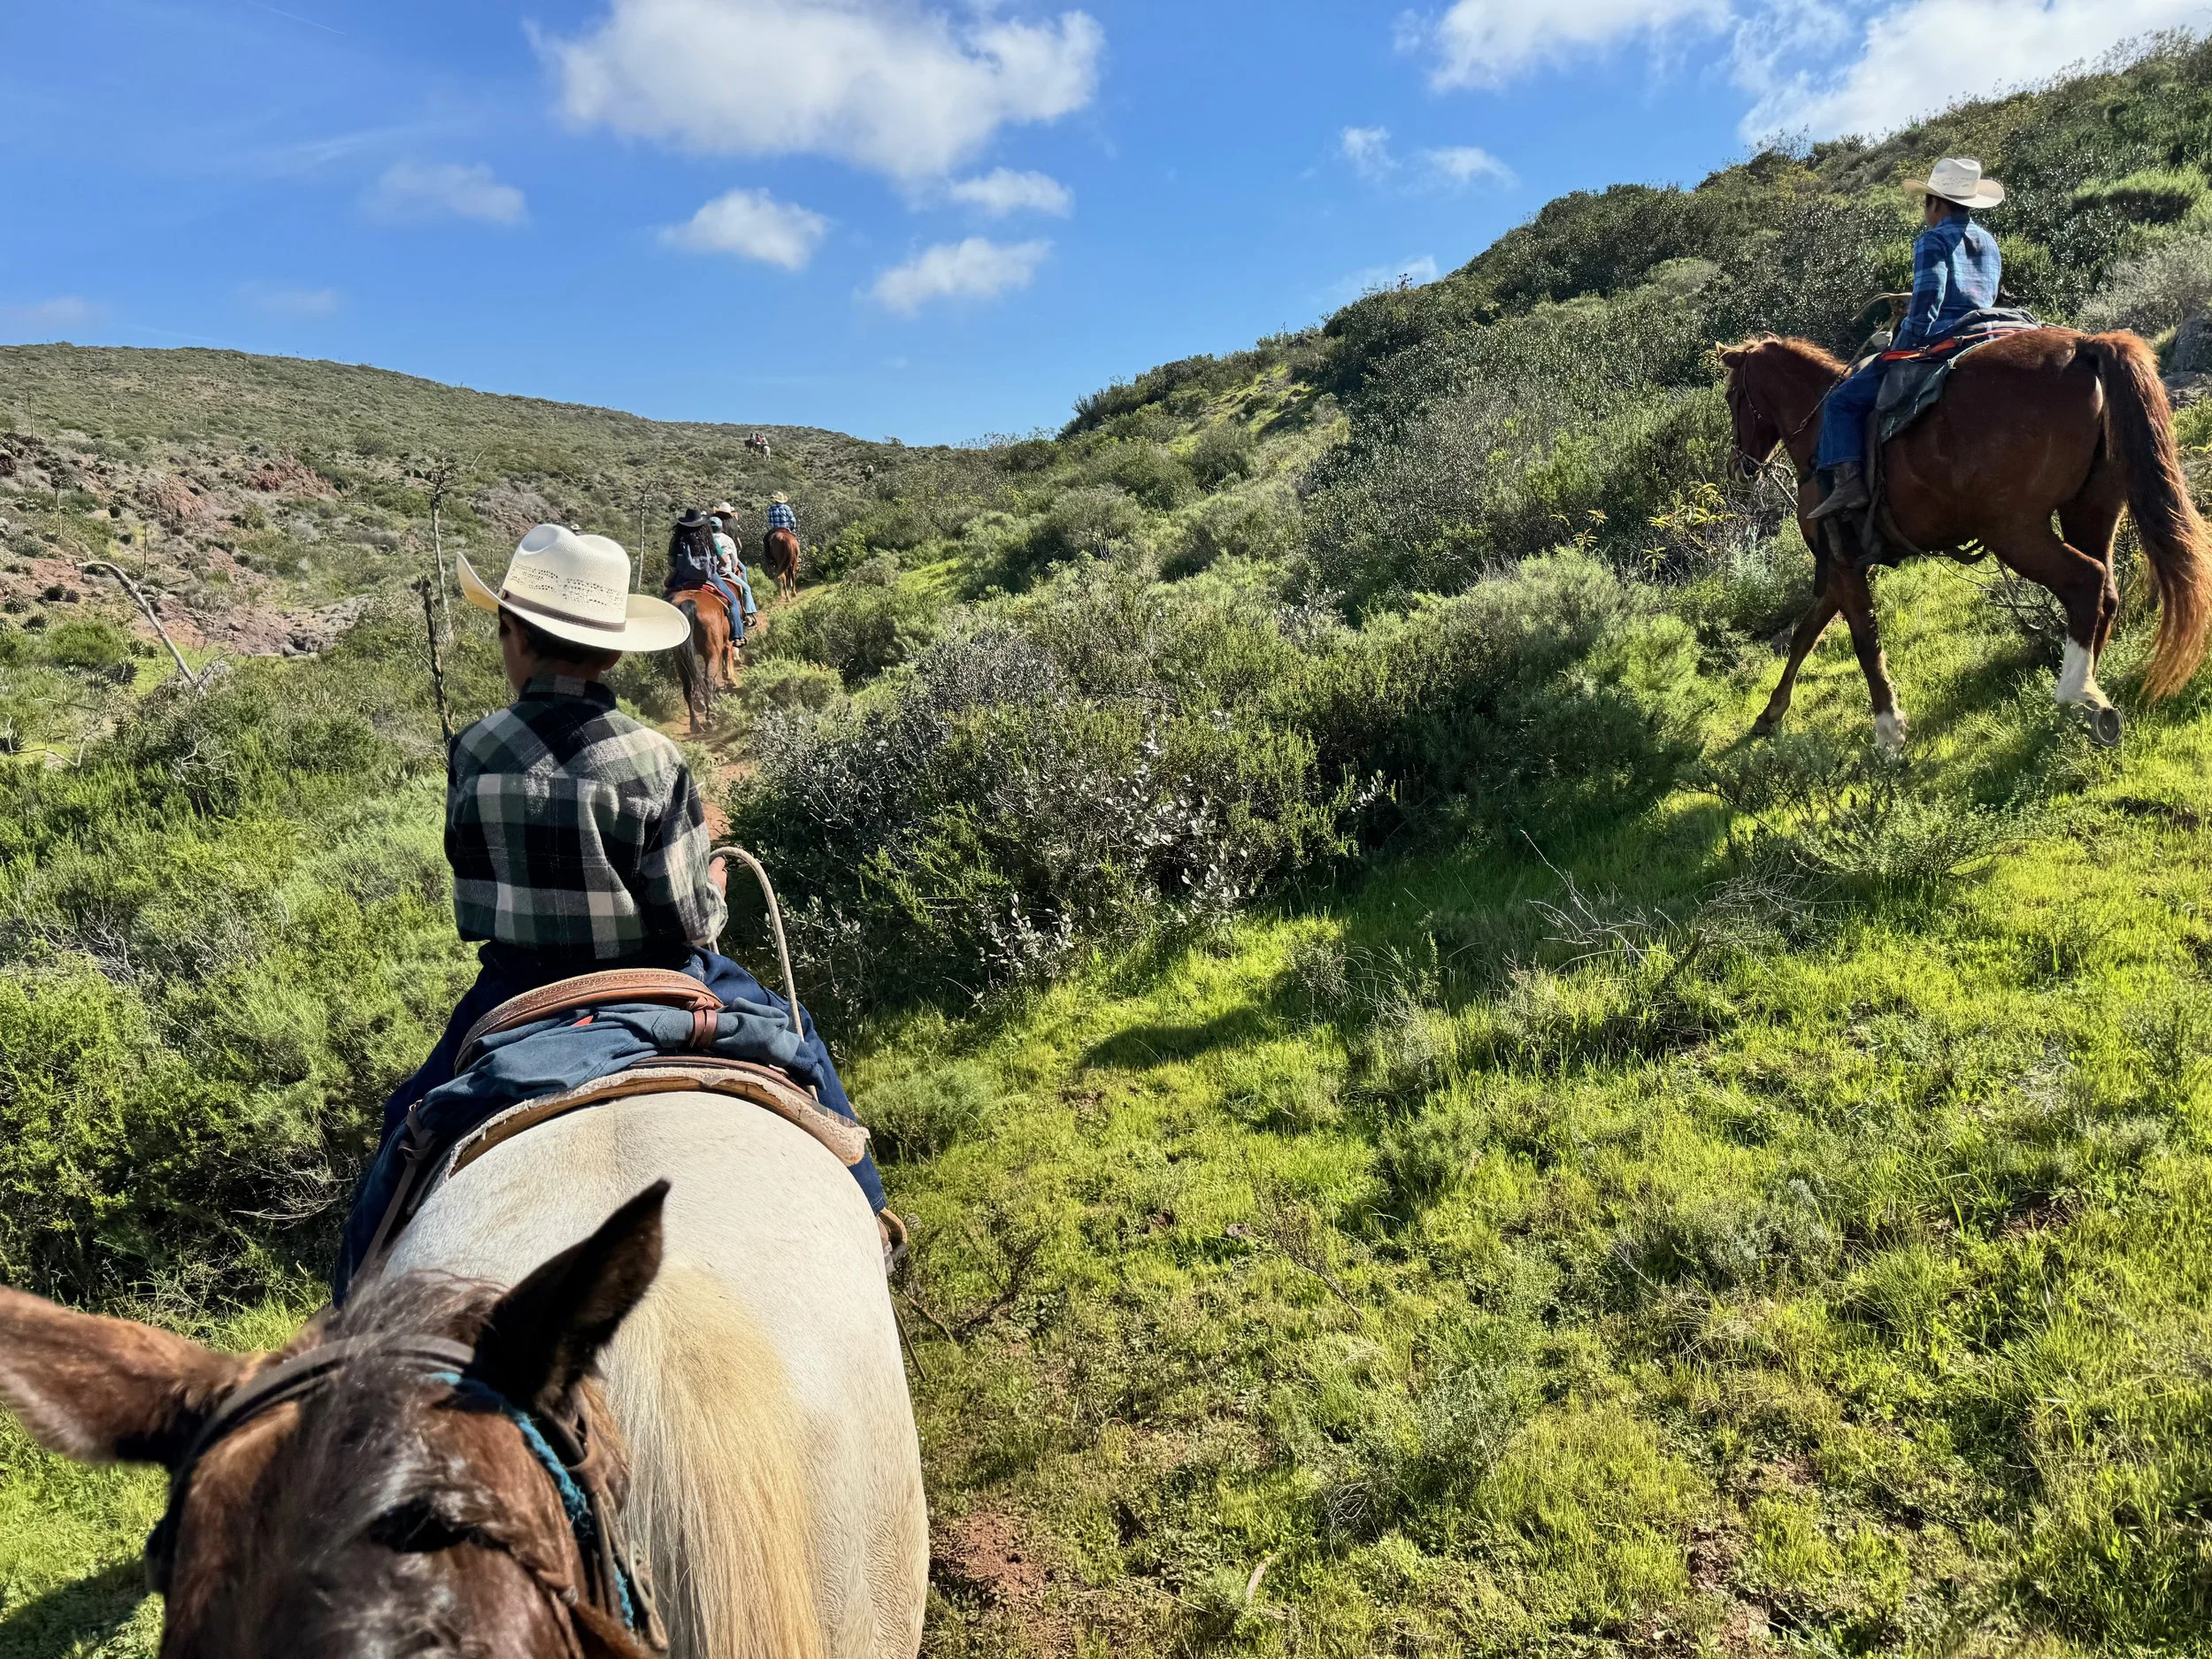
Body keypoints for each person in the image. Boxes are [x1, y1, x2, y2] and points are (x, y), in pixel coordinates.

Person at [383, 523, 712, 1129]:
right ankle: (869, 1194)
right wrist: (711, 896)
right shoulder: (657, 758)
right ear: (614, 652)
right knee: (801, 1052)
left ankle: (365, 1229)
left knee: (402, 1126)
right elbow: (689, 922)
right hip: (648, 980)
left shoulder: (473, 750)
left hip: (515, 987)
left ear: (513, 638)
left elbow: (474, 903)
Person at [1811, 157, 2005, 522]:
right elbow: (1981, 295)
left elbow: (1930, 302)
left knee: (1842, 401)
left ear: (1936, 204)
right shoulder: (1988, 241)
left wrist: (1904, 344)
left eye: (1926, 204)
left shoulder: (1932, 240)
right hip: (1984, 330)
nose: (1925, 212)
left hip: (1942, 340)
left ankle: (1850, 483)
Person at [664, 506, 745, 619]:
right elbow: (724, 560)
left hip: (683, 577)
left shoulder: (679, 540)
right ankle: (738, 635)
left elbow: (671, 562)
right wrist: (715, 568)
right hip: (709, 576)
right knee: (733, 602)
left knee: (664, 599)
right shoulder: (708, 539)